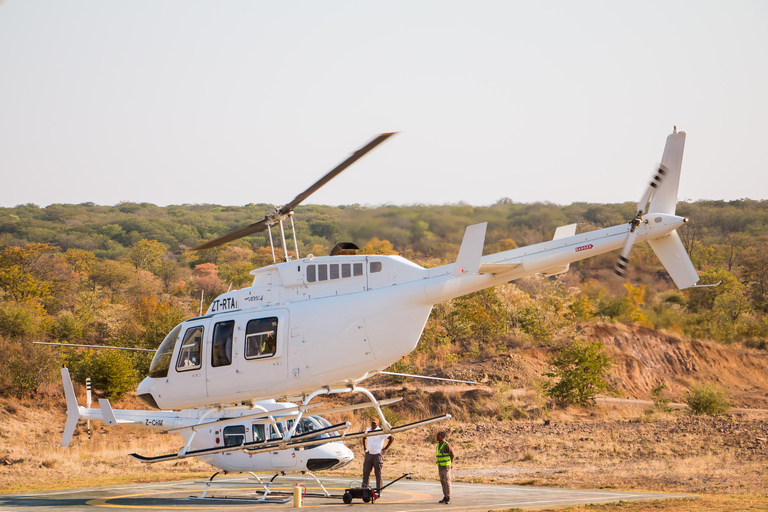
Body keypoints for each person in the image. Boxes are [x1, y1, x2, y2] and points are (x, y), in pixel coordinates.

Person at [362, 417, 394, 493]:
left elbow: (392, 438)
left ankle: (379, 490)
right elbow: (364, 437)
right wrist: (365, 448)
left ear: (378, 424)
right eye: (372, 423)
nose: (373, 425)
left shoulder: (381, 431)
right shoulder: (368, 430)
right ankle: (364, 489)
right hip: (369, 454)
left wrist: (385, 449)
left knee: (378, 473)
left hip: (377, 455)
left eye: (375, 424)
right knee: (366, 472)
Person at [436, 430, 454, 504]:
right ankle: (445, 496)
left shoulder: (446, 445)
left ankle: (448, 497)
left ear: (442, 436)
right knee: (442, 481)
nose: (437, 437)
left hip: (446, 466)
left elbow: (452, 454)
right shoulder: (438, 445)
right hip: (440, 466)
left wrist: (450, 463)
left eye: (438, 436)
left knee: (447, 481)